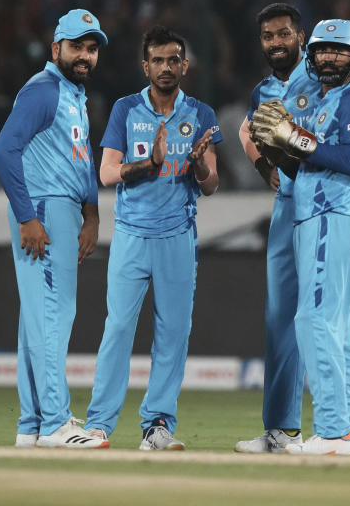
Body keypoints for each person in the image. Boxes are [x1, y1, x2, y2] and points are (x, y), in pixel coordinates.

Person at [84, 25, 221, 450]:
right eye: (157, 60)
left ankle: (157, 426)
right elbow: (106, 173)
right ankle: (98, 426)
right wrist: (149, 163)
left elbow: (211, 182)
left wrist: (198, 165)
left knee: (173, 334)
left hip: (178, 237)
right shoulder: (126, 109)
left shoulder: (201, 113)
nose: (165, 67)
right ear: (145, 66)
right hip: (131, 236)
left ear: (185, 65)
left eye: (173, 60)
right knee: (118, 329)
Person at [249, 19, 350, 455]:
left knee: (313, 320)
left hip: (331, 215)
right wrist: (276, 148)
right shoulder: (322, 102)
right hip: (315, 215)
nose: (329, 58)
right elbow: (299, 166)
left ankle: (333, 430)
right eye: (323, 50)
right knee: (338, 328)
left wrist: (295, 137)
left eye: (339, 52)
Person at [0, 8, 109, 449]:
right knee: (51, 317)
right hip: (42, 208)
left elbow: (81, 157)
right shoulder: (43, 90)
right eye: (77, 46)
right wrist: (27, 217)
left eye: (92, 48)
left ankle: (33, 425)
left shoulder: (71, 93)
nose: (85, 55)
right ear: (55, 48)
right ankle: (57, 423)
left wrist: (92, 215)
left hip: (59, 210)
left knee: (39, 319)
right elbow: (5, 150)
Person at [234, 3, 321, 454]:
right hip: (288, 205)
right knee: (279, 320)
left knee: (321, 317)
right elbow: (248, 130)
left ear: (300, 36)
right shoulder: (264, 89)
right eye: (268, 36)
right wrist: (263, 165)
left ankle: (334, 428)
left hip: (325, 206)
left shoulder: (324, 75)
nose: (276, 43)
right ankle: (282, 432)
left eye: (284, 34)